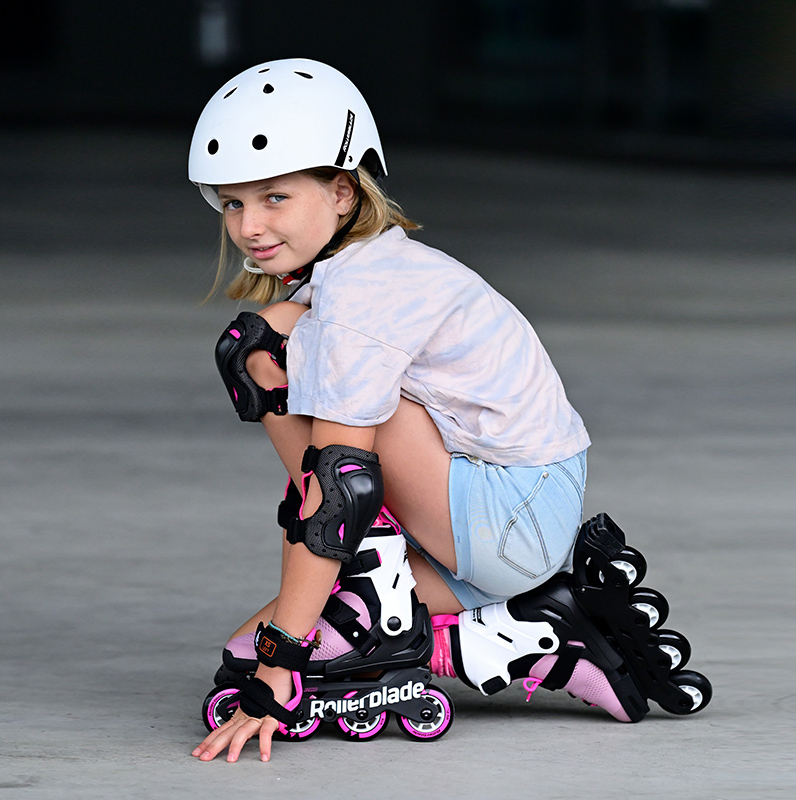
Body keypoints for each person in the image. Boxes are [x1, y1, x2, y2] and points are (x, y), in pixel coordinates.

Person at [187, 59, 706, 763]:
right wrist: (272, 655)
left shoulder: (361, 308)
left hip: (508, 514)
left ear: (341, 194)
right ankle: (541, 632)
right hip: (499, 508)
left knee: (319, 434)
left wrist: (283, 666)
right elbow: (263, 341)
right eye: (233, 203)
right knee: (243, 655)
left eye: (274, 197)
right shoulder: (365, 267)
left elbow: (336, 486)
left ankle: (376, 578)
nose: (249, 226)